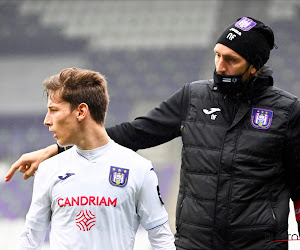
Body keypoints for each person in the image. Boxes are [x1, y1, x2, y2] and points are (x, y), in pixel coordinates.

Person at [6, 17, 300, 249]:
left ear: (254, 67)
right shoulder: (193, 98)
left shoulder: (287, 113)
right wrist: (57, 151)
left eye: (231, 60)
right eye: (217, 55)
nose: (219, 67)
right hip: (193, 245)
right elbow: (135, 133)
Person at [16, 68, 175, 250]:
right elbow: (29, 240)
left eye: (53, 110)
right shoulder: (49, 169)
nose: (46, 120)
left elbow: (162, 239)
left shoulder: (138, 168)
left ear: (81, 111)